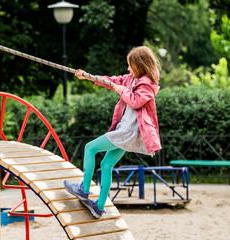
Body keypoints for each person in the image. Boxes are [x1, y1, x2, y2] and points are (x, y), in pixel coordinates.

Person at [64, 46, 162, 218]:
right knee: (106, 165)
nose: (128, 69)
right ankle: (99, 206)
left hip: (126, 132)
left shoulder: (147, 85)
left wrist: (121, 90)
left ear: (140, 65)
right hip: (126, 133)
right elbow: (112, 81)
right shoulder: (131, 79)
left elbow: (136, 101)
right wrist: (88, 76)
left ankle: (84, 189)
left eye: (130, 65)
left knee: (89, 148)